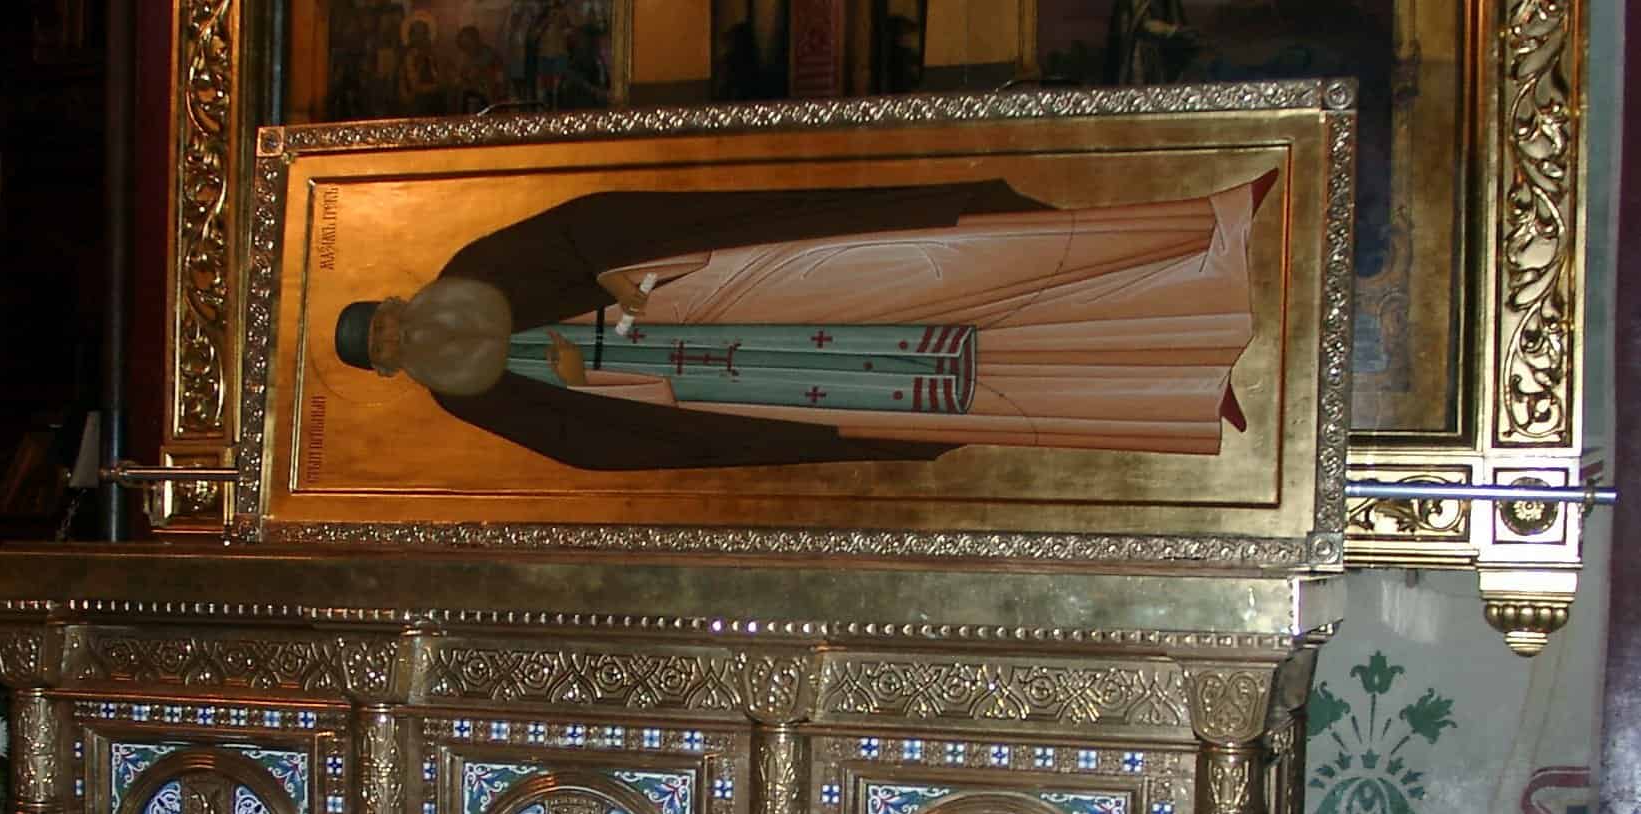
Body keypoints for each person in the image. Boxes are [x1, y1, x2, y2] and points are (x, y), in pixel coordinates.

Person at [332, 173, 1275, 471]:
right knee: (946, 385)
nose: (399, 341)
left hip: (735, 290)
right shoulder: (467, 395)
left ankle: (1196, 236)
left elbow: (587, 223)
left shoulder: (476, 272)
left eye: (385, 325)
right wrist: (621, 388)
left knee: (960, 271)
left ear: (399, 306)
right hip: (742, 382)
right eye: (384, 352)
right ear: (388, 370)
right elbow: (588, 445)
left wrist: (628, 275)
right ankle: (1166, 386)